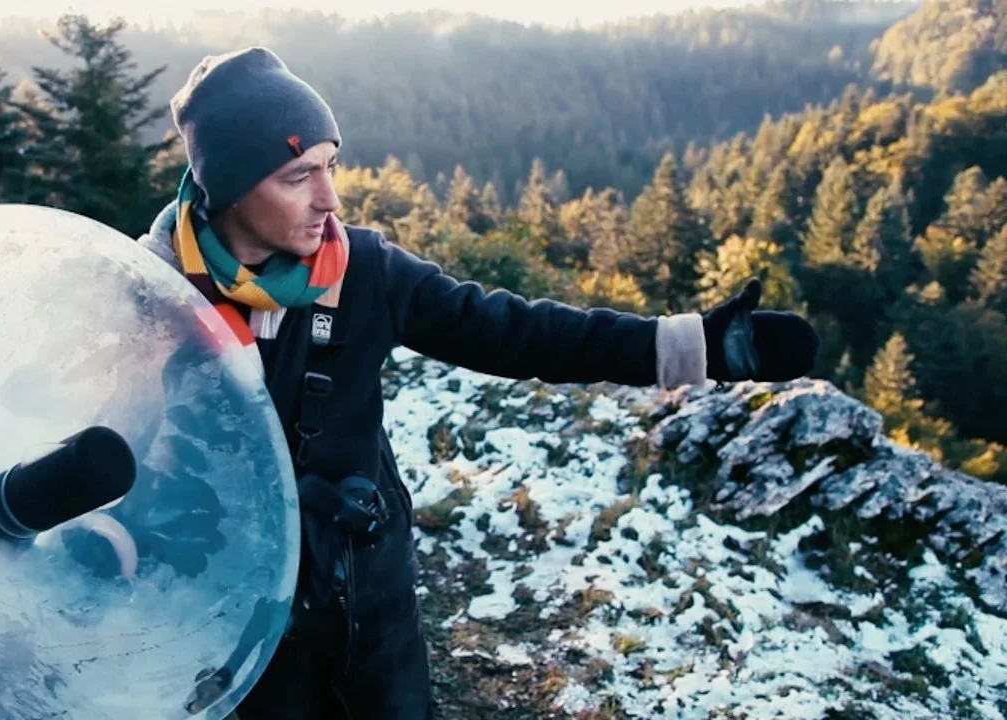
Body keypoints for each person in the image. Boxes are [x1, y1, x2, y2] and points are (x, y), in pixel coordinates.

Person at [133, 46, 819, 720]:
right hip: (236, 602)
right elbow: (119, 454)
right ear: (228, 185)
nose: (329, 198)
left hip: (366, 584)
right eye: (297, 176)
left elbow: (515, 331)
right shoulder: (149, 297)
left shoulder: (364, 270)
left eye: (331, 166)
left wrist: (691, 345)